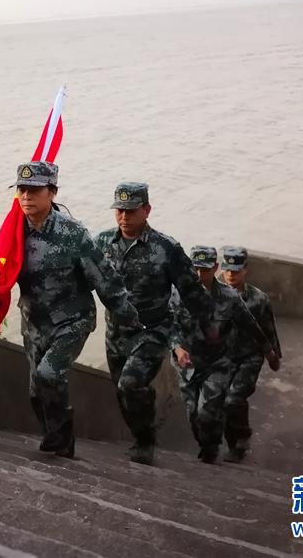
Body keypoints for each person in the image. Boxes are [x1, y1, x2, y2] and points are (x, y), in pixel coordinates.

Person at [13, 161, 145, 459]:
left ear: (52, 193)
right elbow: (1, 270)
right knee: (36, 391)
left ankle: (62, 438)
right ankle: (57, 438)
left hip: (71, 321)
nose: (27, 196)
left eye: (35, 190)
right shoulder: (13, 229)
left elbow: (105, 280)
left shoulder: (72, 233)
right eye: (22, 189)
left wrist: (131, 321)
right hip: (34, 322)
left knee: (49, 374)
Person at [94, 182, 216, 465]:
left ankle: (145, 442)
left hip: (152, 331)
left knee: (130, 383)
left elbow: (192, 292)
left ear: (147, 210)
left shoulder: (166, 248)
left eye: (131, 210)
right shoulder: (101, 243)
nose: (124, 216)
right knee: (123, 391)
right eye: (119, 210)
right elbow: (84, 277)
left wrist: (207, 329)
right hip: (116, 333)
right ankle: (142, 431)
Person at [169, 246, 278, 463]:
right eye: (195, 269)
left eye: (205, 269)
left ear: (214, 268)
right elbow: (167, 324)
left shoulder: (231, 297)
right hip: (188, 365)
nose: (199, 275)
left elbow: (254, 326)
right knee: (193, 414)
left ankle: (216, 448)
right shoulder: (177, 294)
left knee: (213, 408)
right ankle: (207, 444)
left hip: (218, 363)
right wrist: (177, 348)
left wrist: (270, 352)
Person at [219, 246, 283, 463]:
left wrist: (274, 356)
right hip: (222, 358)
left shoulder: (258, 299)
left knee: (233, 399)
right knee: (224, 402)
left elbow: (269, 329)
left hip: (250, 357)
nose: (231, 275)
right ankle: (238, 435)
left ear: (245, 270)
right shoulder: (210, 295)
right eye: (228, 270)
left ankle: (238, 444)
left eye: (236, 270)